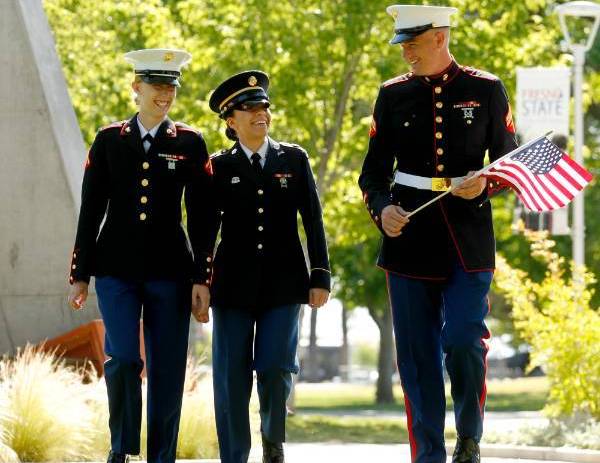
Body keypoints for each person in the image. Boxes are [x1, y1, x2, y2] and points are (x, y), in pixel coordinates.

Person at [358, 5, 517, 463]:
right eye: (402, 41)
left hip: (468, 239)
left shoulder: (485, 89)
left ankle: (469, 435)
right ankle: (428, 455)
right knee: (417, 357)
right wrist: (383, 208)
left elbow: (509, 161)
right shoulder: (391, 96)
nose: (404, 49)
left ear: (439, 36)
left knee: (464, 338)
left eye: (413, 40)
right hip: (408, 241)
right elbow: (372, 175)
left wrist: (486, 183)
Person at [67, 48, 214, 463]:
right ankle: (122, 449)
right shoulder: (109, 139)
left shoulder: (189, 141)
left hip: (171, 271)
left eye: (170, 87)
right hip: (115, 269)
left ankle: (161, 455)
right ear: (137, 88)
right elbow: (91, 207)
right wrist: (80, 273)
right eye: (157, 86)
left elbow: (203, 217)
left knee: (167, 367)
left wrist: (203, 277)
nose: (164, 94)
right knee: (123, 358)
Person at [199, 70, 331, 463]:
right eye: (249, 109)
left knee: (275, 368)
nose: (260, 114)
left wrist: (319, 273)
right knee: (231, 379)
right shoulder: (217, 167)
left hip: (284, 285)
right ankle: (235, 456)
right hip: (232, 289)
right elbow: (205, 229)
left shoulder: (294, 158)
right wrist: (200, 282)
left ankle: (273, 442)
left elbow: (313, 218)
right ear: (230, 120)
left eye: (263, 107)